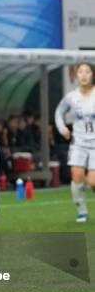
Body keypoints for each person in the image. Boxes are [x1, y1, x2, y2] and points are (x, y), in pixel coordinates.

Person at [54, 62, 95, 223]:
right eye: (80, 72)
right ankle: (82, 212)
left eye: (87, 71)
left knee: (92, 181)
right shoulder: (71, 97)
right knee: (76, 175)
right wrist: (62, 128)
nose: (84, 75)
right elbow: (58, 112)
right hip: (78, 143)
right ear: (76, 76)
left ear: (92, 74)